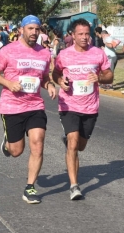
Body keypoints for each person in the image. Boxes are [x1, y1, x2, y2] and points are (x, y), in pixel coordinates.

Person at [0, 15, 56, 204]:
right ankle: (8, 143)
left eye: (37, 29)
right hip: (12, 106)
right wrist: (8, 83)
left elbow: (43, 77)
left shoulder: (44, 53)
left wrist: (49, 85)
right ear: (22, 30)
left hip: (35, 105)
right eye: (31, 29)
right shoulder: (9, 50)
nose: (34, 32)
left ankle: (30, 187)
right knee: (17, 151)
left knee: (38, 143)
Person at [52, 18, 113, 200]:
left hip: (90, 106)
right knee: (72, 143)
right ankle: (74, 186)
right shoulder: (64, 54)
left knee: (81, 145)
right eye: (80, 34)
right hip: (68, 104)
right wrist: (60, 81)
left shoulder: (98, 53)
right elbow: (55, 73)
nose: (85, 37)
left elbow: (109, 75)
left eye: (87, 33)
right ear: (73, 35)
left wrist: (100, 79)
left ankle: (74, 142)